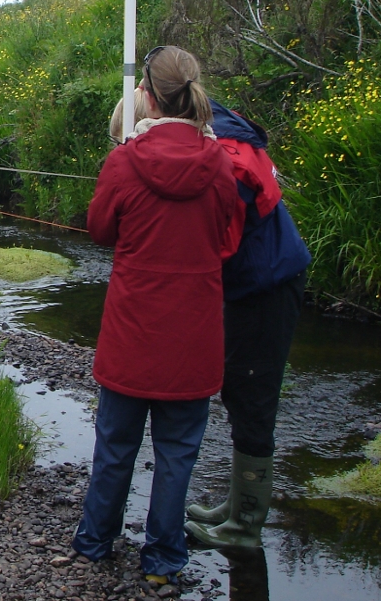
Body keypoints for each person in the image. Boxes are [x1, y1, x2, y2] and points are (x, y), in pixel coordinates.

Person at [71, 46, 237, 583]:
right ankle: (163, 558)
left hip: (132, 331)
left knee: (115, 446)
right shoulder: (221, 164)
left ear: (145, 94)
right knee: (178, 454)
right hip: (193, 335)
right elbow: (228, 240)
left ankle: (96, 542)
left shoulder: (124, 160)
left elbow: (99, 230)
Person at [183, 101, 310, 548]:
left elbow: (221, 242)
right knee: (238, 387)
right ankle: (237, 504)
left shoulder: (227, 164)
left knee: (251, 395)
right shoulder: (221, 128)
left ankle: (246, 525)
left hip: (268, 285)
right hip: (260, 280)